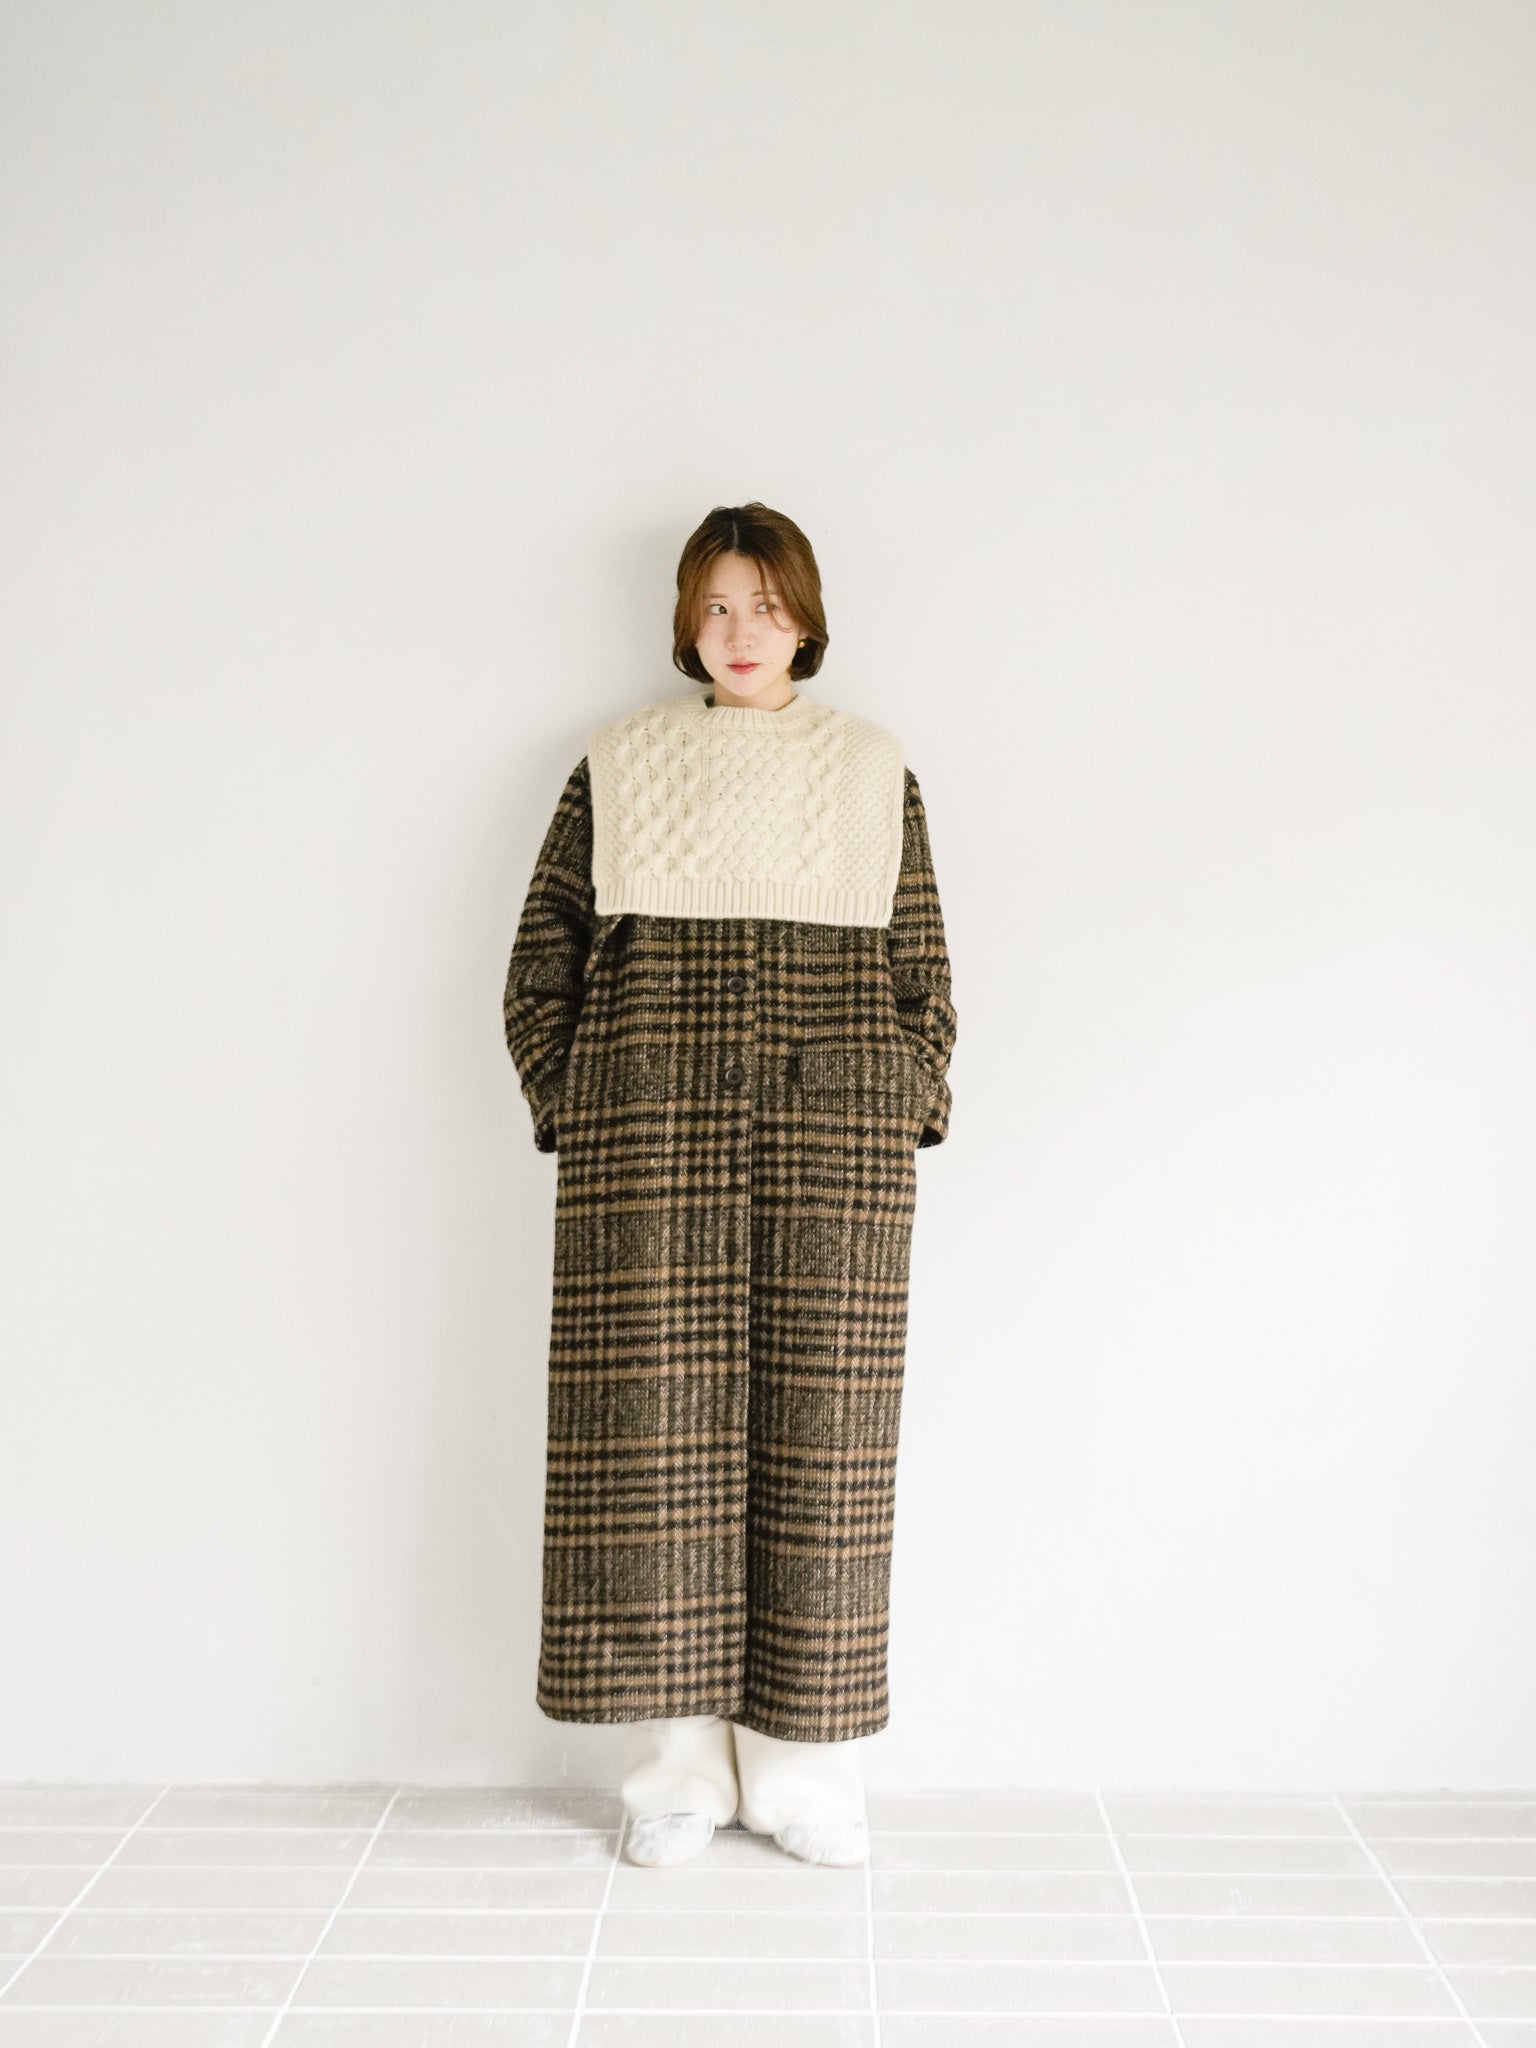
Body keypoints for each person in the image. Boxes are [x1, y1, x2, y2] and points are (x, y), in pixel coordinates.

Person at [503, 502, 957, 1868]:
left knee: (824, 1457)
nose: (738, 631)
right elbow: (541, 962)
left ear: (805, 617)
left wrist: (905, 1102)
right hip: (647, 1150)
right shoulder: (621, 762)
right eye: (714, 605)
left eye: (763, 604)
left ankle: (807, 1780)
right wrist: (582, 1106)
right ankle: (674, 1782)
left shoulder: (873, 768)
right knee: (651, 1456)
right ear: (684, 621)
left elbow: (923, 974)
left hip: (837, 1153)